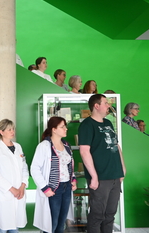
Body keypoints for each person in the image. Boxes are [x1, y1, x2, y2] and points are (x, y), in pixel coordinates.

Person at [78, 94, 126, 233]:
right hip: (100, 177)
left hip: (115, 176)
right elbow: (84, 152)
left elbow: (116, 147)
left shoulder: (108, 123)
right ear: (96, 106)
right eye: (106, 103)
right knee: (97, 215)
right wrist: (93, 176)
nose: (108, 106)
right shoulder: (86, 125)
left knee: (110, 214)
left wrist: (122, 169)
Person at [31, 116, 77, 233]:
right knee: (52, 223)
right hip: (53, 189)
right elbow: (34, 168)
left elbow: (69, 165)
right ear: (54, 129)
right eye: (62, 127)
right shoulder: (44, 146)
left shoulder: (66, 145)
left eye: (65, 126)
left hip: (66, 187)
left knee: (61, 223)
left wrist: (73, 180)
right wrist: (45, 188)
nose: (66, 129)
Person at [0, 119, 29, 232]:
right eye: (9, 129)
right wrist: (12, 189)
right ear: (1, 132)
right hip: (4, 193)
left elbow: (24, 167)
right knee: (2, 226)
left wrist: (22, 186)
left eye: (13, 129)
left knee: (15, 227)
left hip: (19, 192)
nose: (12, 131)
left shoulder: (18, 147)